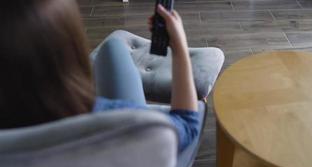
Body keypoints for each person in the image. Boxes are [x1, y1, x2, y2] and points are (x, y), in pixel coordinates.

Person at [0, 0, 200, 152]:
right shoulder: (121, 120)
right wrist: (179, 46)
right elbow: (187, 126)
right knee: (113, 48)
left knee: (113, 48)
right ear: (71, 50)